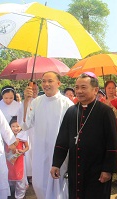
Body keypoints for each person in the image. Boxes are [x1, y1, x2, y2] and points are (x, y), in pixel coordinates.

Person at [51, 72, 117, 199]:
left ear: (95, 90)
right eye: (77, 87)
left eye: (83, 87)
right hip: (76, 167)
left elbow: (112, 143)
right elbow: (62, 141)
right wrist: (56, 163)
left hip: (97, 168)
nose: (79, 91)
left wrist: (108, 169)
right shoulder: (71, 111)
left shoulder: (105, 111)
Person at [17, 71, 74, 199]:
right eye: (43, 81)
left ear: (58, 83)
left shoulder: (67, 104)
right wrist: (26, 101)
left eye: (50, 81)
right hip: (40, 151)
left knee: (58, 185)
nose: (46, 84)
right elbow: (25, 125)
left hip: (59, 153)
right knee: (39, 184)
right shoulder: (36, 102)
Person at [101, 80, 117, 181]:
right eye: (108, 88)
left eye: (113, 88)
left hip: (114, 128)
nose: (111, 90)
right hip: (102, 130)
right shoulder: (101, 101)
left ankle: (115, 172)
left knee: (114, 149)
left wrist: (111, 107)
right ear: (105, 89)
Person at [6, 116, 29, 199]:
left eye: (18, 126)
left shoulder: (22, 135)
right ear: (10, 127)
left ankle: (20, 195)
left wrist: (22, 151)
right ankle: (11, 191)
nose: (16, 128)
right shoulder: (7, 136)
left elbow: (27, 147)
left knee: (19, 175)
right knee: (10, 174)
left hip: (19, 159)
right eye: (13, 126)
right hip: (9, 159)